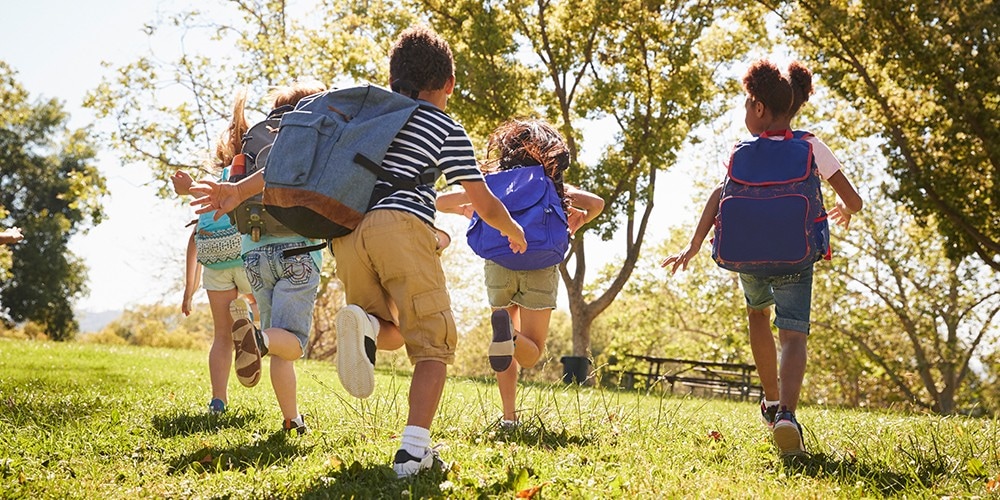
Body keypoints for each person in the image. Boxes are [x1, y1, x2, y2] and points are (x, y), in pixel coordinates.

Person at [327, 25, 526, 478]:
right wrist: (512, 228)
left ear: (393, 75)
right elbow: (482, 199)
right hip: (400, 226)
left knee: (392, 329)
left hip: (347, 232)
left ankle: (365, 327)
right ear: (449, 85)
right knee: (434, 345)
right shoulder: (444, 125)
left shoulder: (368, 113)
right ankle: (413, 451)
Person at [661, 59, 863, 457]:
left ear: (758, 107)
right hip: (795, 257)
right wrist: (846, 209)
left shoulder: (741, 151)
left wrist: (695, 243)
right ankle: (787, 413)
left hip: (747, 256)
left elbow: (719, 196)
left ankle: (770, 400)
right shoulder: (810, 145)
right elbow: (853, 199)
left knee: (758, 316)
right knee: (793, 333)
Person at [436, 119, 605, 427]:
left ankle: (509, 417)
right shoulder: (551, 183)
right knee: (530, 352)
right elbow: (596, 203)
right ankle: (511, 335)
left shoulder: (491, 183)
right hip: (540, 262)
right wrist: (577, 221)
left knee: (503, 349)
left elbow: (441, 201)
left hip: (499, 260)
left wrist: (468, 208)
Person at [190, 81, 327, 434]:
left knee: (279, 336)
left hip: (254, 253)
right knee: (291, 343)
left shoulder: (257, 137)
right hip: (299, 250)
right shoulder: (312, 134)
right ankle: (259, 339)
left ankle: (292, 420)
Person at [173, 168, 258, 415]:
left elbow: (194, 240)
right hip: (244, 257)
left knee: (222, 335)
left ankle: (218, 402)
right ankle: (250, 318)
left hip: (214, 262)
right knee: (267, 307)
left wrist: (190, 289)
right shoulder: (249, 178)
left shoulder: (209, 186)